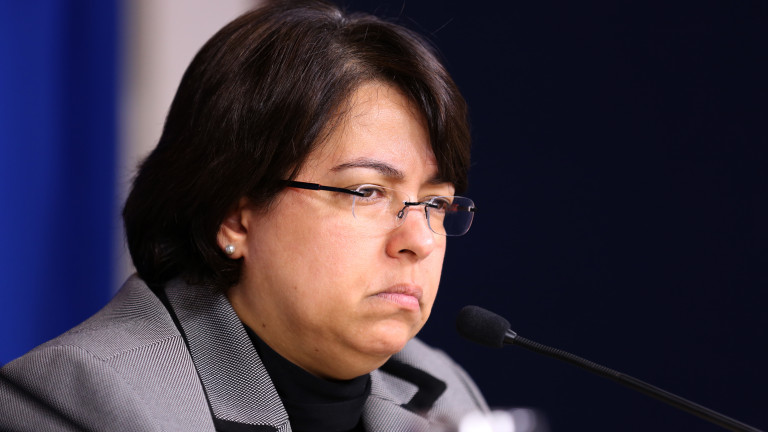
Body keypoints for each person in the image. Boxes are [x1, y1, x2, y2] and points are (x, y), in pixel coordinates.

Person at [0, 1, 487, 430]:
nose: (420, 240)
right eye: (367, 191)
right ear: (234, 217)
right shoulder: (85, 397)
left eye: (435, 203)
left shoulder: (443, 389)